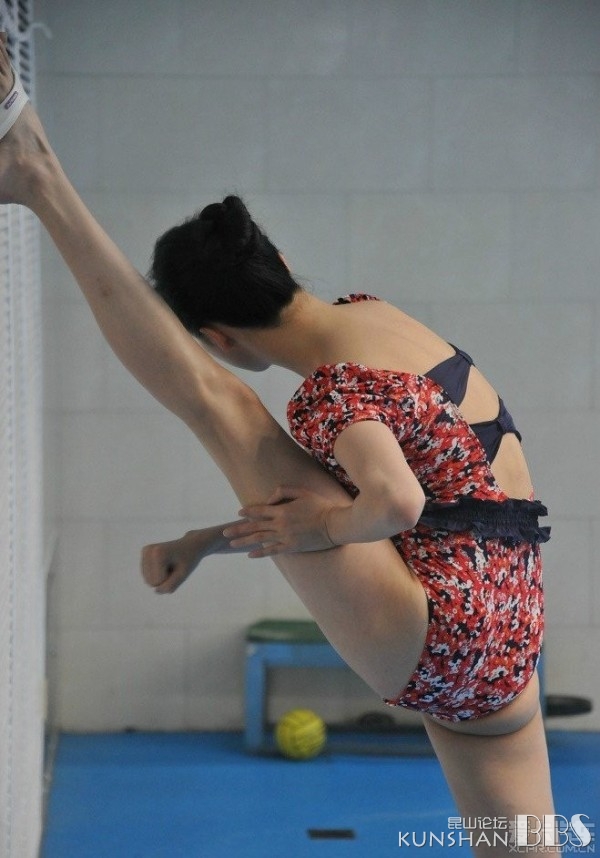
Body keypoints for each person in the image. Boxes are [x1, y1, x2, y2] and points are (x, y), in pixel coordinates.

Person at [0, 35, 557, 855]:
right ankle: (33, 169)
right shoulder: (378, 317)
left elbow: (383, 508)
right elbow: (351, 510)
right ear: (282, 261)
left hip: (445, 633)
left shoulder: (332, 393)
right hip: (513, 629)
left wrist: (322, 529)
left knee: (219, 408)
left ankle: (37, 178)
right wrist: (207, 542)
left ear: (218, 338)